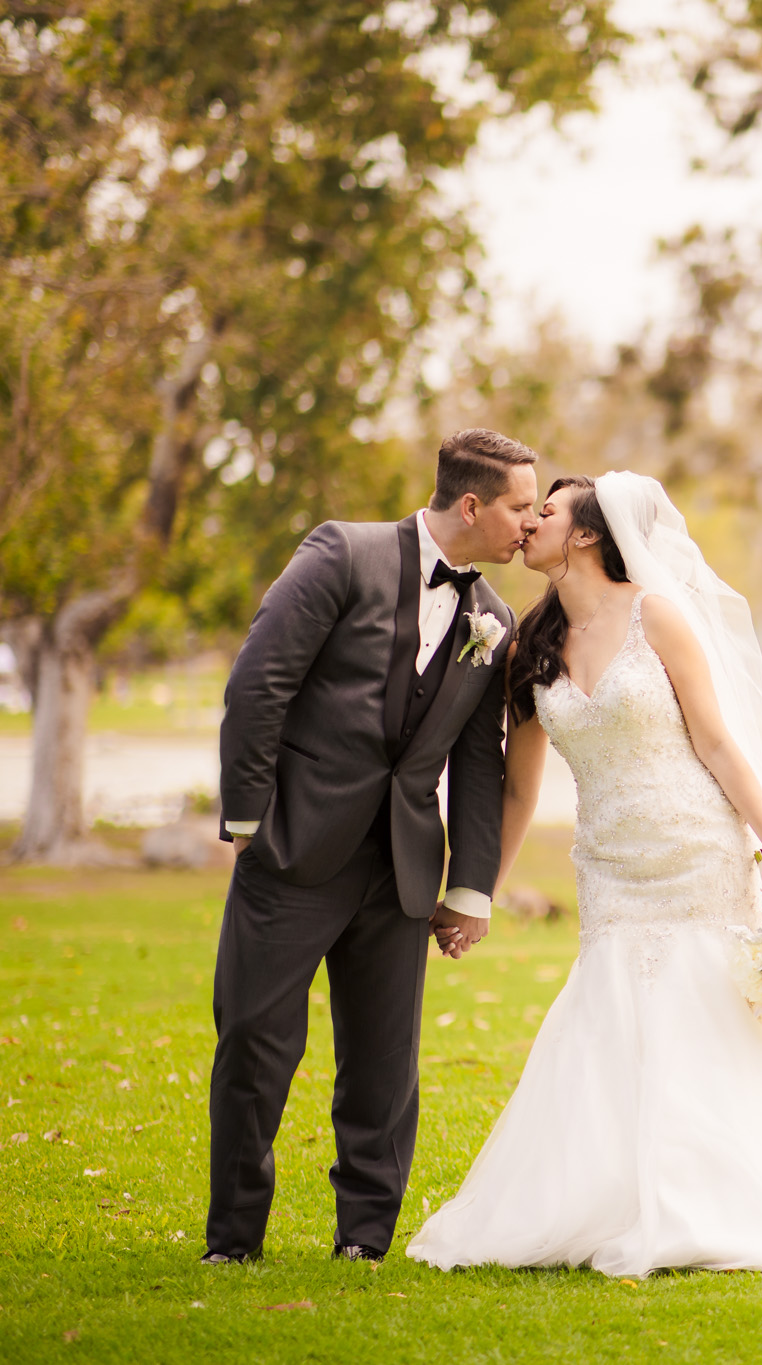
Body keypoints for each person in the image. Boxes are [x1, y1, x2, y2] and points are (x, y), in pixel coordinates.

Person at [405, 471, 762, 1276]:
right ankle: (601, 1197)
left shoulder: (659, 617)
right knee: (611, 1014)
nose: (531, 522)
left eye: (548, 511)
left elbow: (718, 743)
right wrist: (482, 894)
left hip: (696, 850)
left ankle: (729, 1194)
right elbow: (520, 786)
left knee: (709, 1017)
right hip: (609, 869)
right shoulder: (526, 647)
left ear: (583, 534)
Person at [206, 429, 538, 1264]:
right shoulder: (341, 554)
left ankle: (365, 1237)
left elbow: (476, 758)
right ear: (471, 504)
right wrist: (248, 816)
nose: (529, 526)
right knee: (254, 1041)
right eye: (519, 507)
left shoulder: (492, 618)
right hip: (292, 850)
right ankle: (234, 1238)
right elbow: (261, 679)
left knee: (384, 1066)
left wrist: (471, 886)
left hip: (402, 869)